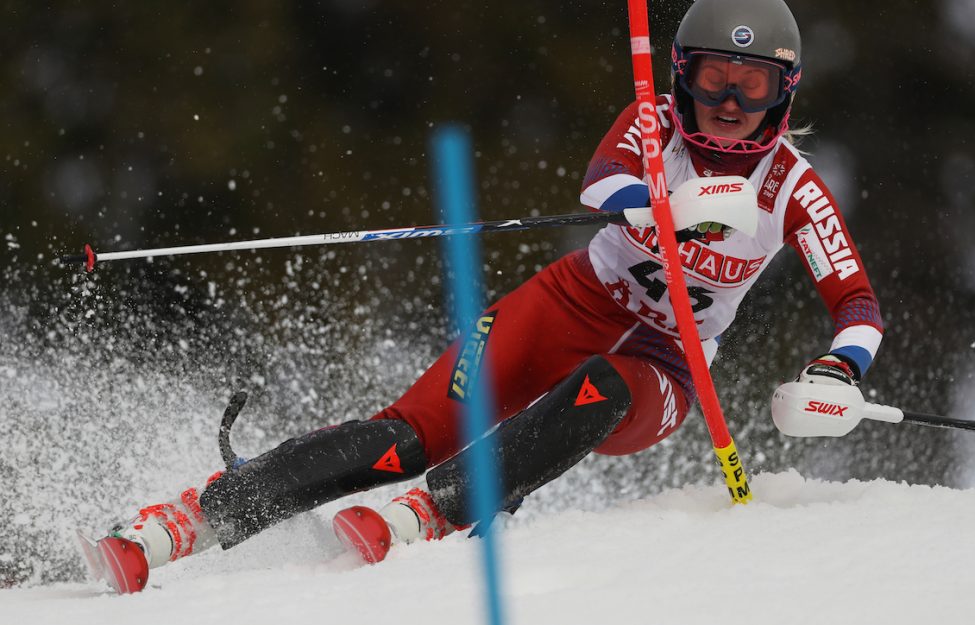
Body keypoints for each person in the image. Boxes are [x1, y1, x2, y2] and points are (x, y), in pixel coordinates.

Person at [85, 0, 883, 593]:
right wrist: (659, 206)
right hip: (575, 301)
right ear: (685, 76)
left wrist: (837, 371)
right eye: (716, 81)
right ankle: (188, 518)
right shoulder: (654, 124)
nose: (732, 106)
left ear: (784, 92)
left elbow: (855, 301)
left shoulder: (793, 189)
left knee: (601, 387)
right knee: (406, 434)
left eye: (753, 86)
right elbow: (603, 179)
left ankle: (433, 510)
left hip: (669, 365)